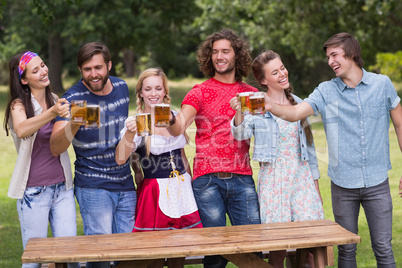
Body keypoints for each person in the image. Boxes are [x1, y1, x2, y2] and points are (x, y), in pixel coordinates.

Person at [264, 33, 402, 267]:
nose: (330, 61)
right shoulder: (326, 91)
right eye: (328, 57)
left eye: (334, 55)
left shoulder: (382, 85)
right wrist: (269, 105)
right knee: (346, 251)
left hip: (377, 184)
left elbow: (399, 124)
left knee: (383, 249)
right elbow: (296, 113)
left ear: (351, 53)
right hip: (343, 187)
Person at [167, 29, 261, 268]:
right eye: (215, 52)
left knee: (254, 248)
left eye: (225, 51)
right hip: (207, 180)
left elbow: (268, 130)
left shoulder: (250, 94)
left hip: (242, 178)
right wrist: (167, 117)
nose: (219, 56)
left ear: (236, 56)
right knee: (215, 254)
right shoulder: (199, 91)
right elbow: (179, 128)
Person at [229, 50, 324, 267]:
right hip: (274, 178)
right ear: (264, 80)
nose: (282, 73)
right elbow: (240, 134)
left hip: (301, 176)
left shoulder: (298, 102)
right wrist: (239, 113)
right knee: (277, 247)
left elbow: (309, 149)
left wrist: (315, 185)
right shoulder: (256, 105)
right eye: (275, 72)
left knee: (310, 241)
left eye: (282, 68)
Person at [50, 42, 136, 268]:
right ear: (80, 70)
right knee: (101, 255)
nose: (93, 74)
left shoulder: (122, 87)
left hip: (126, 183)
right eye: (87, 69)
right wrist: (75, 123)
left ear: (109, 65)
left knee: (129, 254)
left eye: (98, 67)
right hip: (93, 185)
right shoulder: (72, 98)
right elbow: (56, 147)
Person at [115, 67, 202, 267]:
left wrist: (191, 182)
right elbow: (120, 159)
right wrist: (129, 133)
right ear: (141, 93)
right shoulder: (138, 123)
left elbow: (181, 154)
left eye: (158, 88)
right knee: (155, 252)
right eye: (148, 89)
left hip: (182, 188)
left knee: (179, 251)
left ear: (164, 91)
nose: (153, 94)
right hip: (155, 190)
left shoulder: (174, 116)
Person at [4, 51, 79, 268]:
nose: (43, 71)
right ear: (24, 80)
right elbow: (21, 128)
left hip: (62, 189)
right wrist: (52, 112)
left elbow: (61, 140)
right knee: (34, 262)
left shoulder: (55, 100)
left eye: (43, 65)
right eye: (35, 70)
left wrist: (74, 123)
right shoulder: (19, 105)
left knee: (70, 258)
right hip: (34, 193)